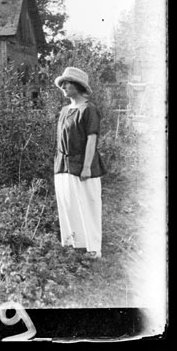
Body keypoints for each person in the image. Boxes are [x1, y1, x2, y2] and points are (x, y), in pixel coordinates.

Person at [52, 66, 105, 258]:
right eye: (63, 83)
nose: (64, 87)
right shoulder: (65, 110)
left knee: (88, 205)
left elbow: (92, 139)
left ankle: (93, 249)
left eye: (67, 83)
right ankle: (72, 245)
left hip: (83, 165)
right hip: (63, 166)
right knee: (68, 205)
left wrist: (86, 167)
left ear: (78, 85)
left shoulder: (88, 110)